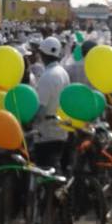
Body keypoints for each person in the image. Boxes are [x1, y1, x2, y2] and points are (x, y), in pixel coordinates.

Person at [34, 37, 70, 171]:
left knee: (46, 170)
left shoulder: (47, 76)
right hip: (61, 128)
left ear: (42, 54)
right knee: (56, 166)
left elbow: (41, 109)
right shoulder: (63, 73)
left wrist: (30, 123)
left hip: (46, 132)